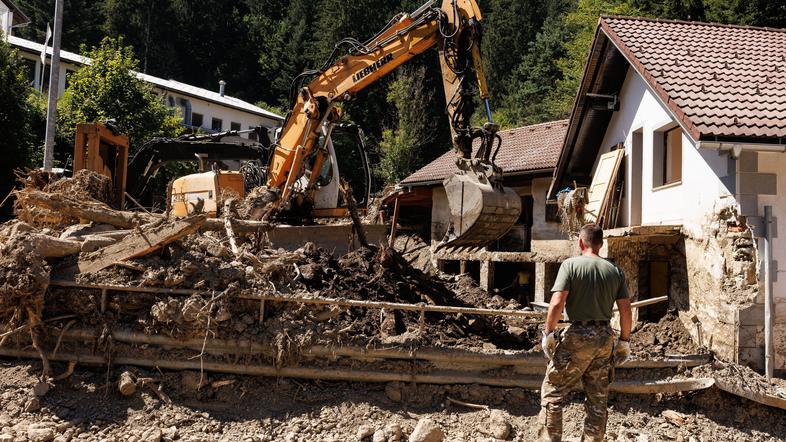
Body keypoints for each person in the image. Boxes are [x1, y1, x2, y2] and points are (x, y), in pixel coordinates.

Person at [538, 223, 632, 442]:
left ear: (580, 242)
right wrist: (624, 341)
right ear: (601, 244)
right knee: (597, 399)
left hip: (578, 336)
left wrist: (548, 334)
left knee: (553, 391)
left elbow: (556, 303)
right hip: (604, 339)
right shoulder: (615, 271)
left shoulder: (570, 266)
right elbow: (626, 309)